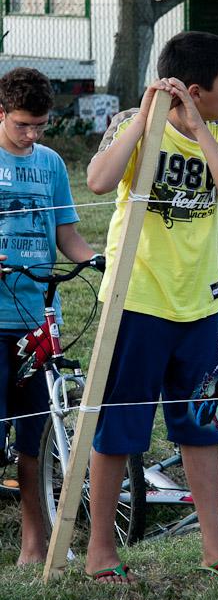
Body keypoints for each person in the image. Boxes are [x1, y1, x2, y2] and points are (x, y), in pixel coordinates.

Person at [85, 31, 218, 583]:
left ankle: (214, 546)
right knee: (118, 430)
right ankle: (101, 551)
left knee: (201, 428)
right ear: (197, 90)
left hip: (199, 306)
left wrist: (199, 128)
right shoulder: (134, 125)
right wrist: (144, 119)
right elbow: (97, 181)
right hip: (135, 302)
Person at [0, 67, 97, 565]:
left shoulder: (52, 164)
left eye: (39, 126)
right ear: (1, 113)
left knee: (36, 438)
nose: (32, 135)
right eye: (22, 125)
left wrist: (97, 261)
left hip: (39, 320)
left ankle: (34, 546)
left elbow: (67, 236)